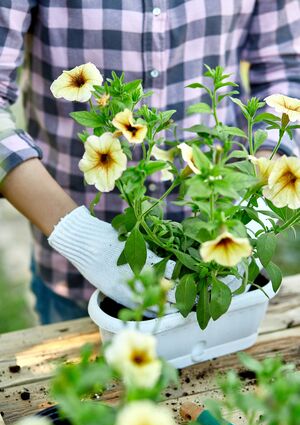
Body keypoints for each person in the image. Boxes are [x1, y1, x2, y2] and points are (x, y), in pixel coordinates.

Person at [0, 1, 299, 324]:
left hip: (218, 264)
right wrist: (81, 238)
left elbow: (285, 69)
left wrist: (253, 205)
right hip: (76, 280)